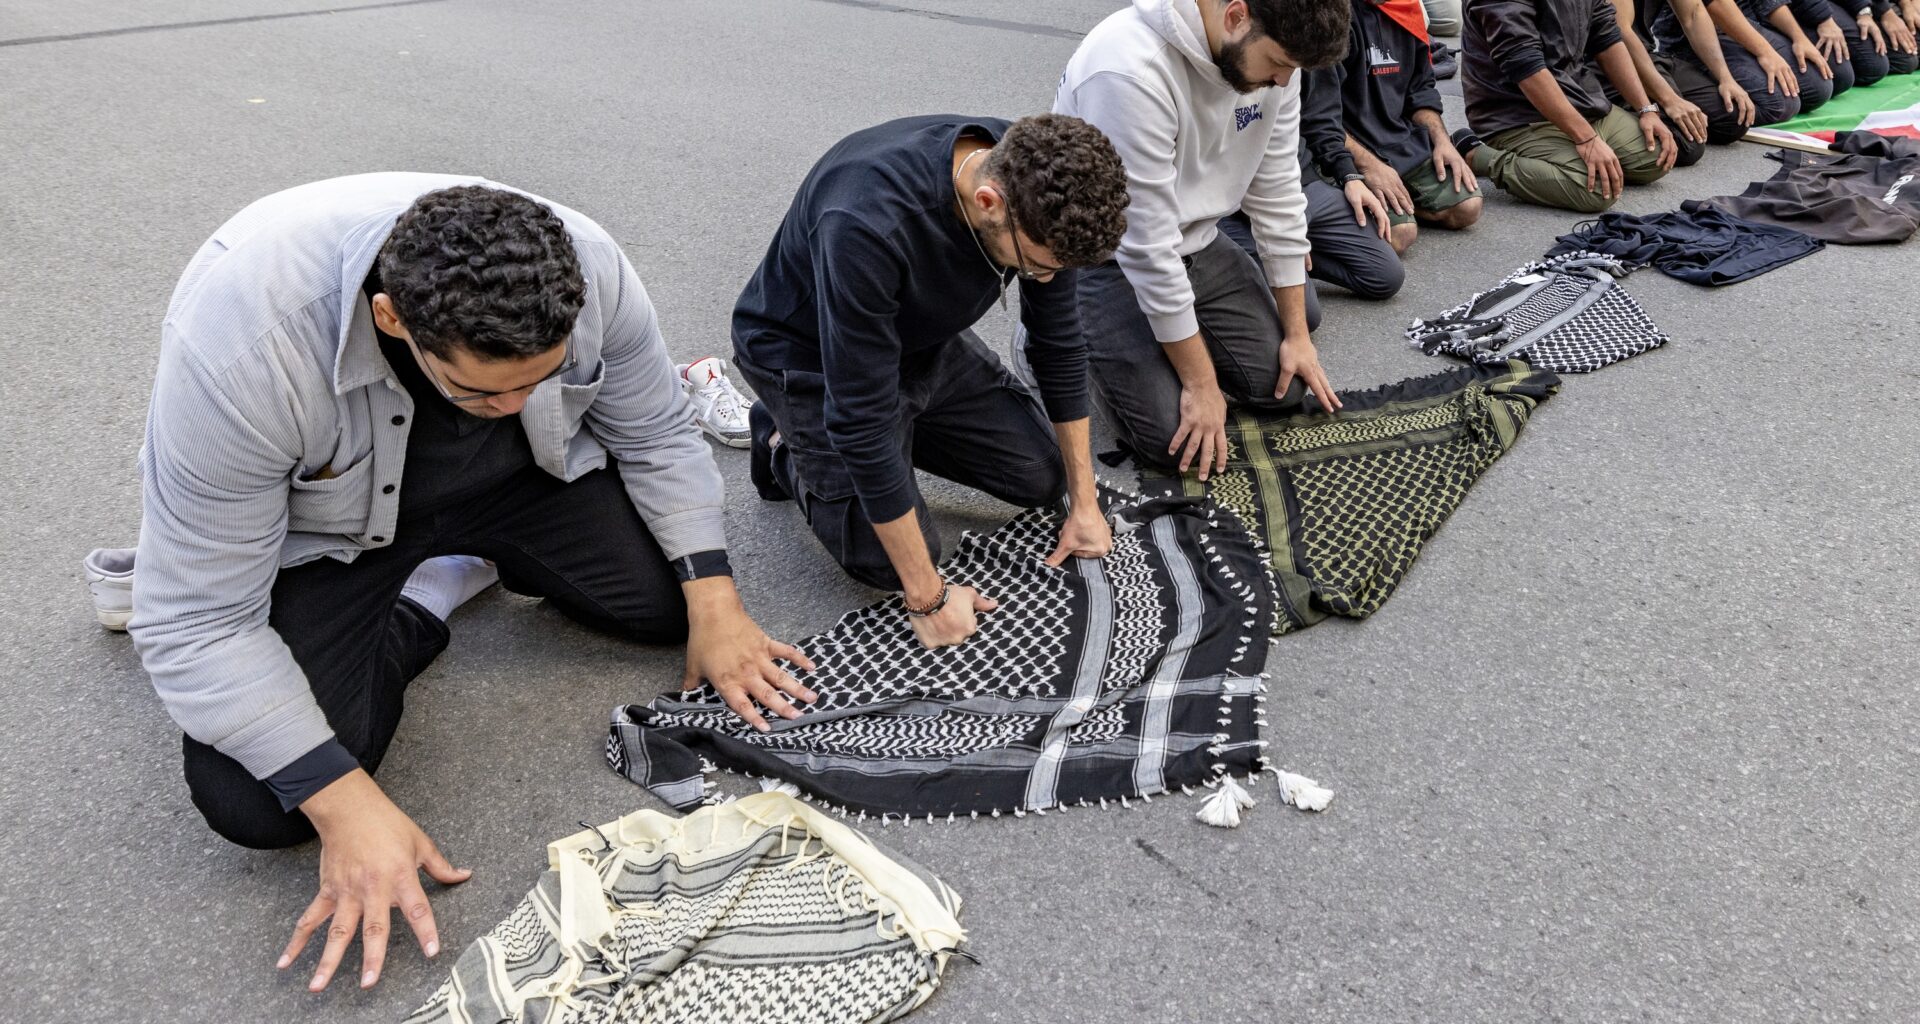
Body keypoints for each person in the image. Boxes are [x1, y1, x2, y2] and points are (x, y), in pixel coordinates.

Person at [84, 174, 812, 993]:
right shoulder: (243, 350)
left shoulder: (588, 266)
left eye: (538, 380)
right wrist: (345, 801)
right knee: (257, 801)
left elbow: (655, 434)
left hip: (521, 481)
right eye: (480, 388)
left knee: (662, 602)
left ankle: (462, 553)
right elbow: (196, 626)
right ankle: (414, 594)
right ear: (391, 317)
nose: (511, 403)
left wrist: (718, 603)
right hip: (333, 532)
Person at [732, 114, 1129, 648]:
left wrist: (1085, 504)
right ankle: (783, 438)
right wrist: (929, 599)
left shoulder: (1039, 178)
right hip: (812, 358)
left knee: (1044, 476)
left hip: (922, 339)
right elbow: (862, 420)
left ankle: (903, 437)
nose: (1045, 279)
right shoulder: (866, 221)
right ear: (989, 201)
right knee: (890, 562)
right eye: (1035, 268)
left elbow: (1057, 344)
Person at [1054, 0, 1353, 483]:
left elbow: (1278, 192)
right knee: (1173, 441)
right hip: (1105, 258)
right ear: (1235, 16)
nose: (1282, 81)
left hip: (1197, 241)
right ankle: (1058, 342)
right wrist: (1200, 383)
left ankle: (1165, 339)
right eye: (1278, 64)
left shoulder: (1277, 58)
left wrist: (1297, 335)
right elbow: (1147, 249)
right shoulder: (1129, 71)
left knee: (1283, 388)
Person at [1454, 0, 1680, 213]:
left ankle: (1565, 157)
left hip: (1578, 97)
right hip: (1515, 115)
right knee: (1596, 190)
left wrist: (1646, 109)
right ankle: (1477, 155)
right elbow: (1524, 64)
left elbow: (1607, 36)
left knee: (1656, 156)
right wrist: (1586, 139)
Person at [1302, 0, 1485, 258]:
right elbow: (1318, 119)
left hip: (1399, 141)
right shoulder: (1332, 16)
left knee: (1468, 207)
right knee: (1400, 236)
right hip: (1343, 150)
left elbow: (1420, 90)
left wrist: (1442, 141)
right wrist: (1369, 166)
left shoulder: (1406, 8)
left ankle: (1401, 203)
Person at [1605, 0, 1760, 164]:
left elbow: (1693, 14)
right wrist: (1669, 100)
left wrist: (1726, 78)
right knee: (1687, 145)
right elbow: (1620, 33)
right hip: (1608, 61)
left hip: (1648, 55)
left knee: (1733, 117)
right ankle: (1599, 117)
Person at [1649, 0, 1803, 127]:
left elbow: (1693, 12)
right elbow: (1628, 39)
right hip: (1680, 41)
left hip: (1737, 18)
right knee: (1775, 106)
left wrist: (1807, 32)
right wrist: (1655, 106)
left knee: (1815, 88)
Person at [1705, 0, 1846, 113]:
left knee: (1825, 85)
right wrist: (1765, 53)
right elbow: (1712, 6)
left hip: (1745, 15)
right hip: (1707, 27)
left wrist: (1799, 38)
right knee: (1780, 106)